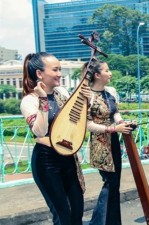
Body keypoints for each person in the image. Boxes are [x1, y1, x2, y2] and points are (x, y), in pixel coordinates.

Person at [20, 52, 85, 225]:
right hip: (46, 161)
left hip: (68, 157)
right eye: (55, 70)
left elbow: (73, 120)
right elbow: (40, 132)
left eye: (60, 69)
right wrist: (43, 99)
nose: (59, 74)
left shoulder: (61, 92)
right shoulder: (29, 101)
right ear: (40, 74)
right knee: (63, 214)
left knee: (77, 211)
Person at [85, 60, 134, 225]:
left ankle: (110, 221)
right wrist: (113, 129)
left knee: (115, 184)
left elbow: (116, 114)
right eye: (107, 70)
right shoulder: (86, 95)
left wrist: (123, 123)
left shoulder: (110, 91)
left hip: (113, 141)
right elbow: (88, 125)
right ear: (97, 75)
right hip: (100, 143)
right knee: (110, 182)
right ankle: (99, 222)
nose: (110, 73)